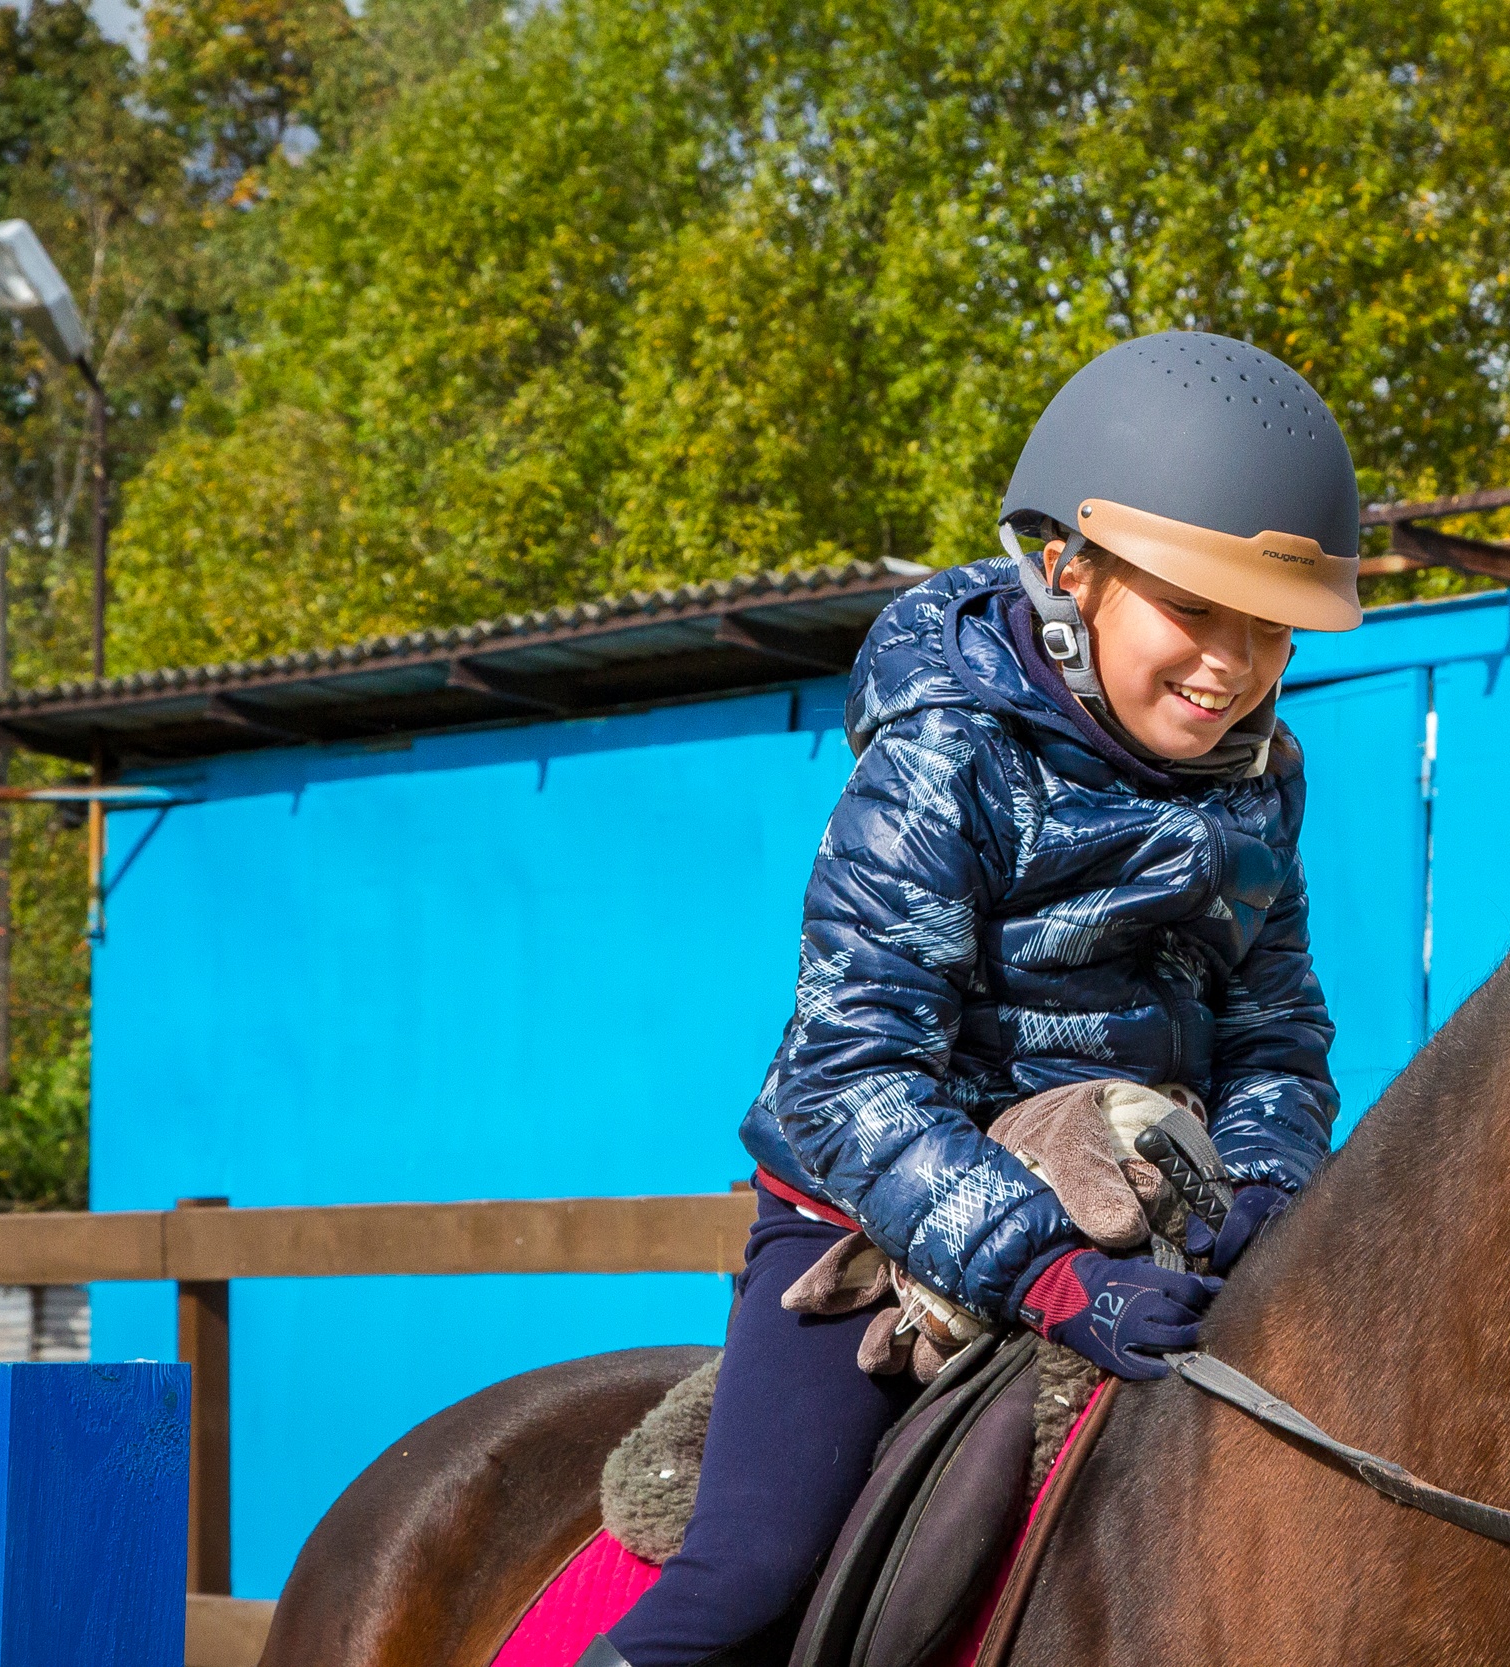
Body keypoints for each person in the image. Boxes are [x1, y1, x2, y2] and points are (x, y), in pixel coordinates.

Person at [584, 331, 1365, 1667]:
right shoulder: (951, 749)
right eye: (1194, 610)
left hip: (1148, 1197)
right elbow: (849, 1075)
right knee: (751, 1577)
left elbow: (1275, 1033)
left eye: (1270, 627)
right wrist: (1045, 1271)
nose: (1232, 664)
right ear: (1069, 571)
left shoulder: (1261, 780)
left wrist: (1269, 1197)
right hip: (882, 1216)